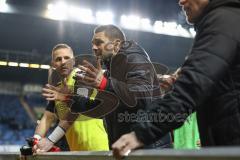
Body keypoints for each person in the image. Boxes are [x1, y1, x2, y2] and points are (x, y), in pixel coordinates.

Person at [112, 0, 240, 158]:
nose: (181, 1)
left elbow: (192, 86)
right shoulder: (229, 19)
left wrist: (141, 133)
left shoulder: (223, 19)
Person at [75, 24, 172, 149]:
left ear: (116, 45)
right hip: (129, 146)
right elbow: (102, 107)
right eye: (93, 43)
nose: (94, 47)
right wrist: (72, 99)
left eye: (99, 42)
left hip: (151, 147)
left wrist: (104, 84)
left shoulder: (135, 59)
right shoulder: (111, 69)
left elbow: (140, 97)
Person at [32, 43, 109, 152]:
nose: (63, 62)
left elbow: (75, 112)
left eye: (67, 58)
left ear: (73, 61)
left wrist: (50, 140)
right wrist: (36, 140)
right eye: (58, 59)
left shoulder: (83, 78)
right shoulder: (58, 88)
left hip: (96, 148)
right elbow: (47, 118)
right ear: (53, 64)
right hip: (76, 151)